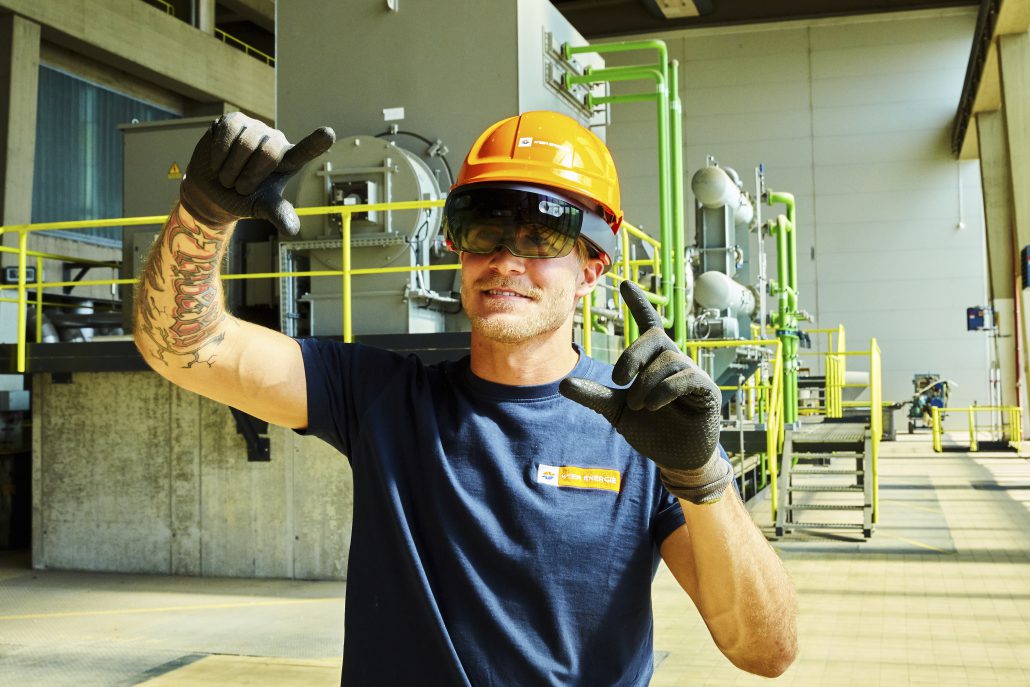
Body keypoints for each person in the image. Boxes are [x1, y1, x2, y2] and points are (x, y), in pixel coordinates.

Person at [134, 110, 797, 686]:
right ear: (457, 249)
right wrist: (203, 216)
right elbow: (184, 346)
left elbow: (764, 651)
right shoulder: (380, 398)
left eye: (541, 235)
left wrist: (700, 473)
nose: (505, 259)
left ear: (592, 268)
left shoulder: (646, 431)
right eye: (482, 230)